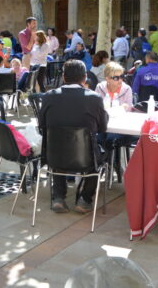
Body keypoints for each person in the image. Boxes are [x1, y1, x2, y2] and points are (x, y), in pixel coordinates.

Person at [38, 59, 108, 213]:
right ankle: (84, 199)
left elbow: (41, 125)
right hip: (86, 159)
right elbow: (102, 127)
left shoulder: (48, 96)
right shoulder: (94, 98)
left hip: (54, 157)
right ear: (84, 78)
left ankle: (58, 197)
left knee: (57, 144)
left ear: (64, 77)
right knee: (100, 155)